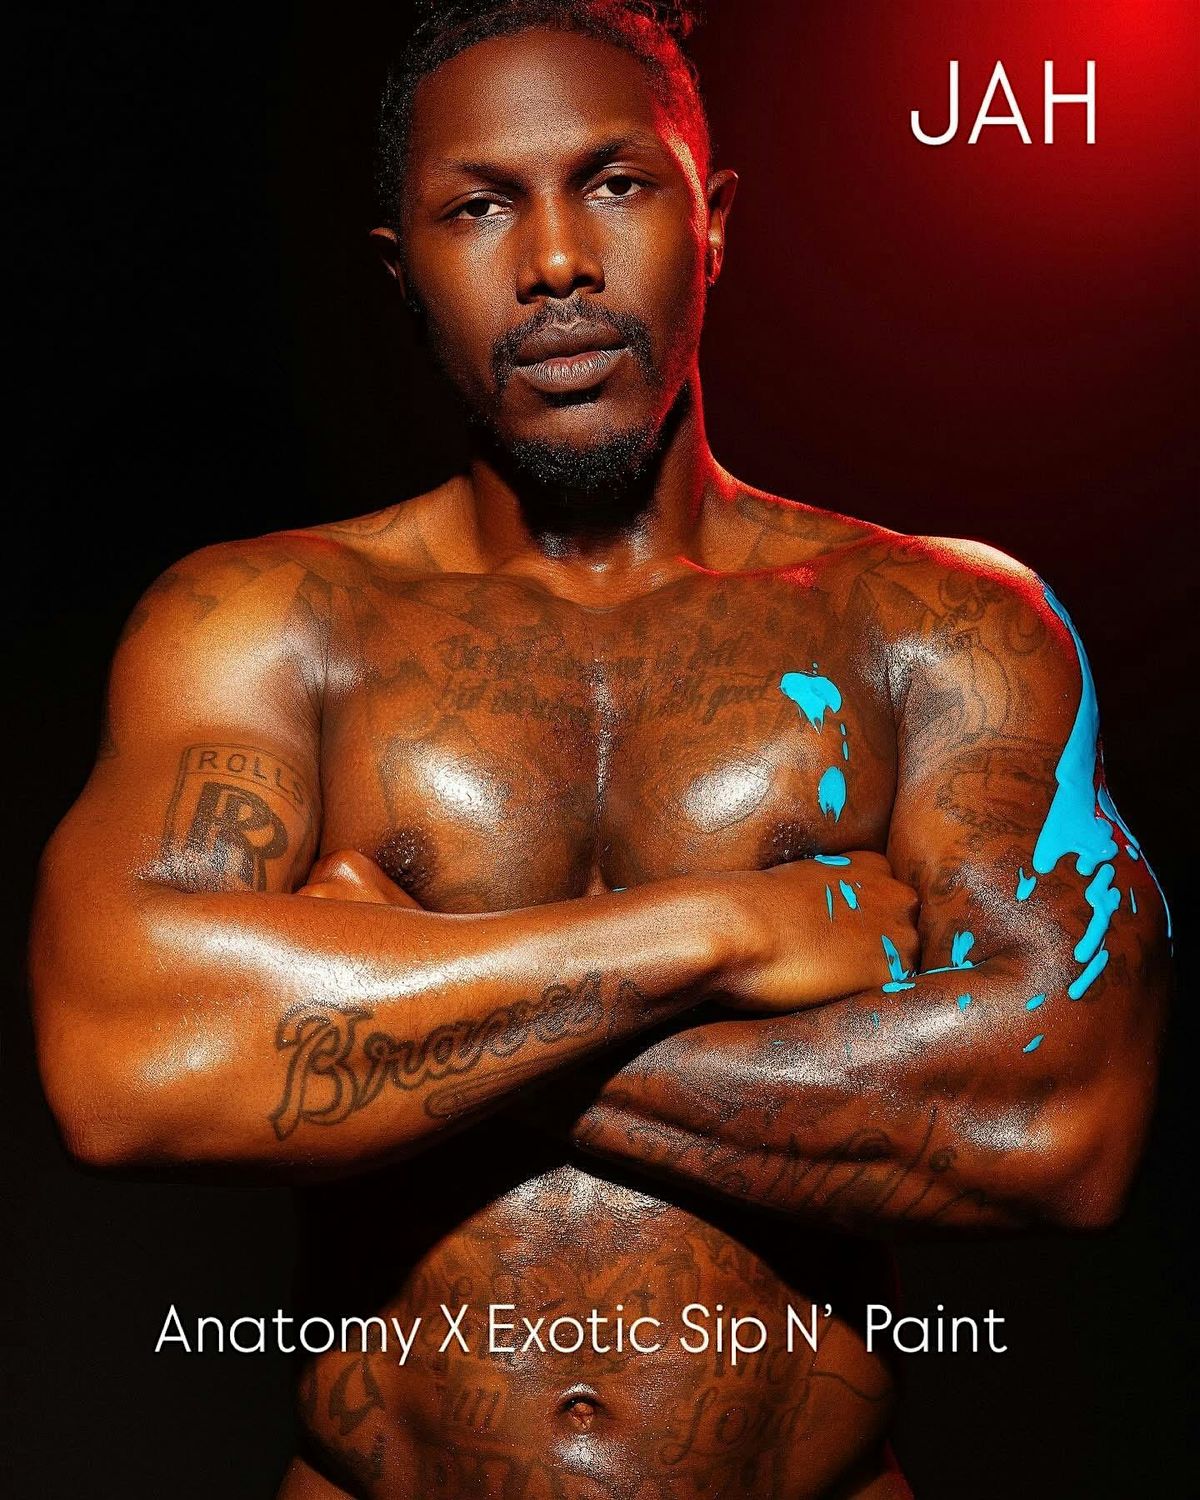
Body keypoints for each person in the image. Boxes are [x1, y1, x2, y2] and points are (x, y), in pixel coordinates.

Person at [30, 4, 1171, 1496]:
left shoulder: (939, 623)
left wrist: (404, 985)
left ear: (715, 220)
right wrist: (726, 933)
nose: (557, 261)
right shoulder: (267, 623)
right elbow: (126, 1063)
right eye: (479, 208)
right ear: (402, 268)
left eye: (616, 184)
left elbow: (1059, 1121)